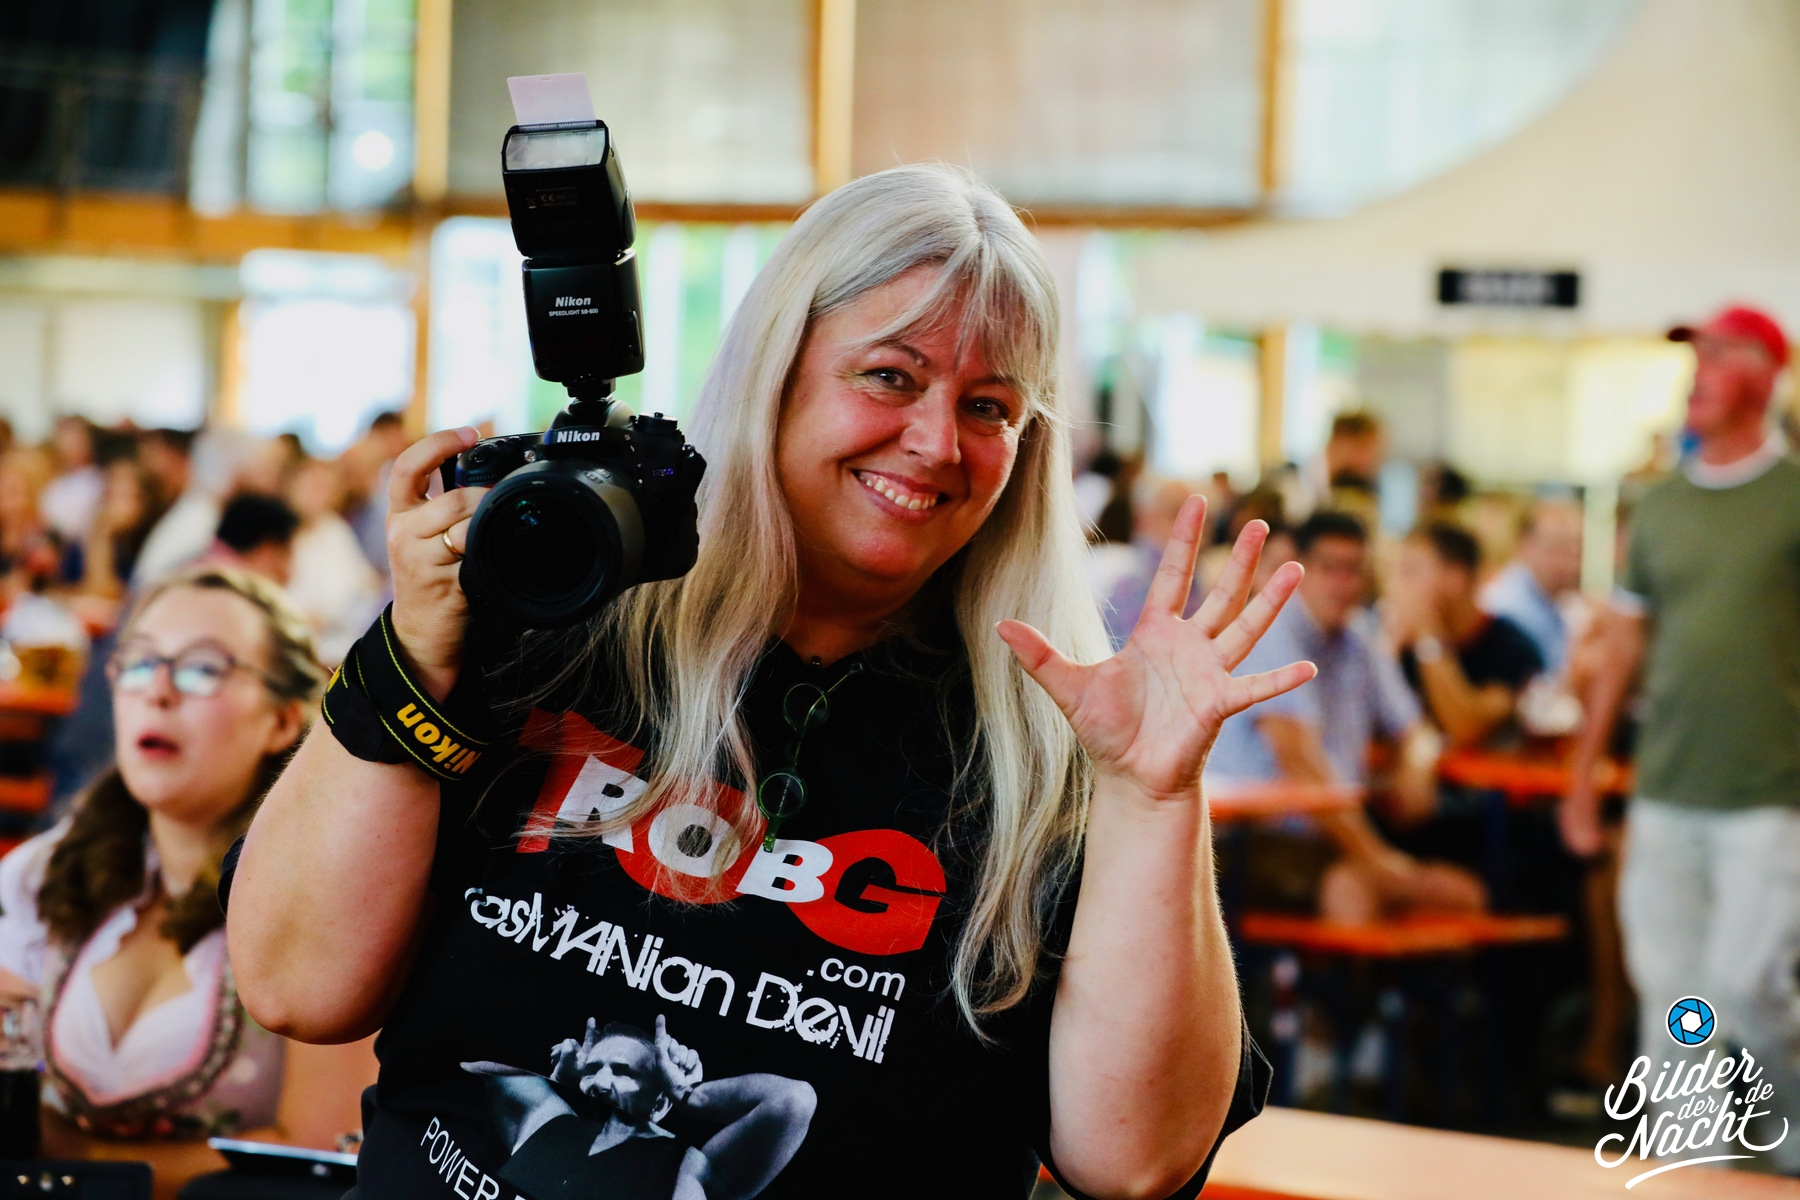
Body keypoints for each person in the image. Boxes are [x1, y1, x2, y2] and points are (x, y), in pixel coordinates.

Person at [228, 164, 1303, 1200]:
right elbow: (294, 985)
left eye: (990, 407)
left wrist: (1153, 796)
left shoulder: (1051, 746)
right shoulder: (556, 619)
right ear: (775, 371)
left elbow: (1134, 1162)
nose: (937, 443)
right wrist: (414, 649)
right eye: (891, 377)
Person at [0, 566, 358, 1184]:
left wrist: (80, 1157)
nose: (158, 692)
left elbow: (318, 1150)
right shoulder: (44, 870)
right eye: (139, 663)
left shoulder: (328, 897)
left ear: (281, 720)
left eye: (202, 669)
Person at [1562, 305, 1800, 1171]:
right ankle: (1694, 1171)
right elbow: (1622, 646)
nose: (1697, 370)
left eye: (1719, 353)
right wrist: (1583, 777)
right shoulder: (1659, 506)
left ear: (1765, 375)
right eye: (1695, 354)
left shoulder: (1791, 498)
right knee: (1676, 1001)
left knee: (1749, 987)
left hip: (1770, 793)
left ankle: (1787, 1143)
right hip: (1665, 788)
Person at [1209, 512, 1481, 922]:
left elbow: (1416, 732)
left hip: (1331, 840)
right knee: (1354, 892)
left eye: (1353, 570)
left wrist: (1415, 765)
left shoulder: (1359, 641)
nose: (1342, 583)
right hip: (1250, 842)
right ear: (1299, 569)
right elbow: (1302, 766)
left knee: (1462, 895)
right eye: (1329, 567)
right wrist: (1377, 857)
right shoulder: (1269, 635)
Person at [467, 1014, 814, 1200]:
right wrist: (558, 1077)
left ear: (659, 1101)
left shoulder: (687, 1169)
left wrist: (690, 1094)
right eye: (592, 1069)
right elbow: (473, 1064)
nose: (601, 1082)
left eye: (623, 1072)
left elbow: (792, 1100)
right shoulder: (548, 1119)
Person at [1386, 521, 1542, 748]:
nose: (1397, 586)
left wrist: (1428, 638)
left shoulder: (1511, 646)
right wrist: (1388, 650)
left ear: (1456, 578)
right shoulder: (1402, 644)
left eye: (1411, 571)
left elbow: (1465, 728)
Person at [284, 458, 384, 666]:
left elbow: (364, 585)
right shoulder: (279, 534)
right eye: (312, 487)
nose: (318, 496)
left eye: (326, 489)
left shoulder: (335, 531)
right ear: (292, 487)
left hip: (338, 641)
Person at [1479, 498, 1583, 676]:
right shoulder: (1504, 606)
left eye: (1574, 550)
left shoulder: (1562, 603)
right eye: (1555, 548)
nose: (1566, 561)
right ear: (1524, 545)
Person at [207, 494, 299, 587]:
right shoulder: (225, 587)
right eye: (287, 555)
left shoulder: (206, 571)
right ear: (268, 550)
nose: (289, 574)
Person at [41, 417, 103, 547]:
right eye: (66, 440)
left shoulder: (101, 482)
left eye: (77, 440)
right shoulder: (53, 483)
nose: (71, 447)